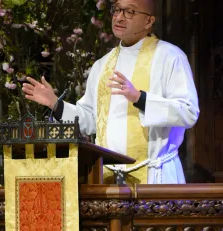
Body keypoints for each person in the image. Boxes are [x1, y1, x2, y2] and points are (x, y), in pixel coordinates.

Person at [22, 0, 199, 184]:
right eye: (117, 10)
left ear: (148, 21)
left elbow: (188, 112)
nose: (119, 17)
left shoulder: (170, 57)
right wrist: (55, 104)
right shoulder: (102, 65)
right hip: (108, 177)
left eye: (130, 11)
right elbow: (91, 121)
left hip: (155, 176)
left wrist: (141, 99)